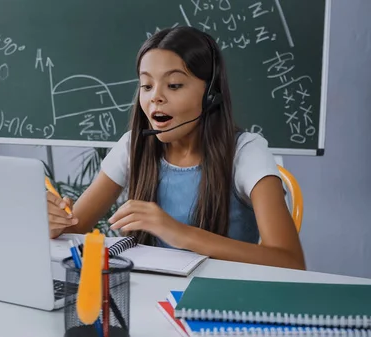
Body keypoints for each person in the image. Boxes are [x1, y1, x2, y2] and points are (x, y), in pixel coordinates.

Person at [46, 26, 305, 270]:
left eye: (174, 85)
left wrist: (179, 233)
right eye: (146, 85)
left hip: (223, 299)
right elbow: (74, 229)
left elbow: (290, 261)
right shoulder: (133, 146)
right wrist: (56, 223)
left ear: (210, 95)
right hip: (152, 298)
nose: (155, 96)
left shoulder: (246, 152)